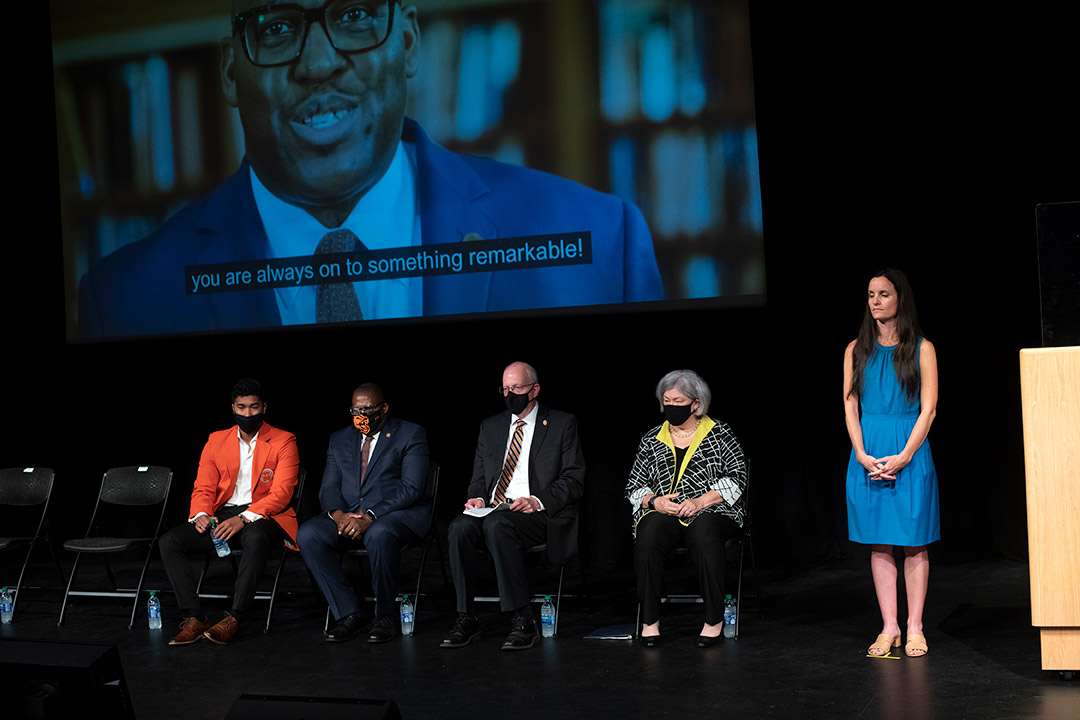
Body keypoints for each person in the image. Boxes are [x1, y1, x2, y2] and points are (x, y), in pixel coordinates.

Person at [77, 0, 663, 339]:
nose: (320, 62)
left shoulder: (602, 243)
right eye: (277, 28)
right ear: (232, 72)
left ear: (407, 42)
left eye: (355, 14)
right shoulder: (124, 303)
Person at [442, 362, 584, 651]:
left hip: (537, 512)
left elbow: (573, 478)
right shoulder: (491, 427)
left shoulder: (561, 423)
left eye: (517, 388)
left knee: (497, 525)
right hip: (494, 508)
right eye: (505, 389)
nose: (510, 395)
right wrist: (477, 498)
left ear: (534, 389)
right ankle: (465, 616)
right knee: (459, 528)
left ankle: (522, 618)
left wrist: (537, 500)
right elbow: (479, 478)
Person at [159, 378, 300, 645]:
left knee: (255, 538)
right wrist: (201, 513)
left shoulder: (283, 440)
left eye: (254, 407)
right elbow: (203, 486)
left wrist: (244, 518)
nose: (248, 414)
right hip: (223, 514)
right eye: (242, 407)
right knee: (170, 541)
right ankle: (195, 617)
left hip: (264, 515)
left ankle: (236, 616)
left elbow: (282, 494)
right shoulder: (216, 440)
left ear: (264, 407)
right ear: (233, 408)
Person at [844, 268, 939, 658]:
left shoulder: (922, 348)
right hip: (868, 453)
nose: (876, 301)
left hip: (909, 452)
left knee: (914, 545)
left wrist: (904, 455)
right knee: (880, 546)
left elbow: (929, 409)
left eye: (884, 294)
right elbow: (850, 405)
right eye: (870, 295)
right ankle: (889, 627)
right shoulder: (856, 350)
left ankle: (915, 627)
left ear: (901, 298)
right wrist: (862, 453)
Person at [297, 383, 429, 643]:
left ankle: (384, 616)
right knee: (309, 534)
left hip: (394, 515)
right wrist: (338, 516)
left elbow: (411, 488)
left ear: (384, 408)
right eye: (356, 409)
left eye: (367, 409)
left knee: (379, 534)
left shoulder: (410, 433)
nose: (361, 415)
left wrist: (370, 515)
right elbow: (328, 487)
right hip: (348, 516)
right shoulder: (340, 439)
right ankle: (348, 613)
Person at [626, 369, 747, 647]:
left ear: (696, 403)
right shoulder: (651, 439)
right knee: (650, 530)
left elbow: (737, 478)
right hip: (665, 511)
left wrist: (699, 502)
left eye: (678, 401)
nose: (670, 407)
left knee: (704, 530)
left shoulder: (719, 433)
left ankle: (713, 619)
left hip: (711, 510)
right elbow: (635, 485)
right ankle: (650, 620)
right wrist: (656, 502)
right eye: (666, 400)